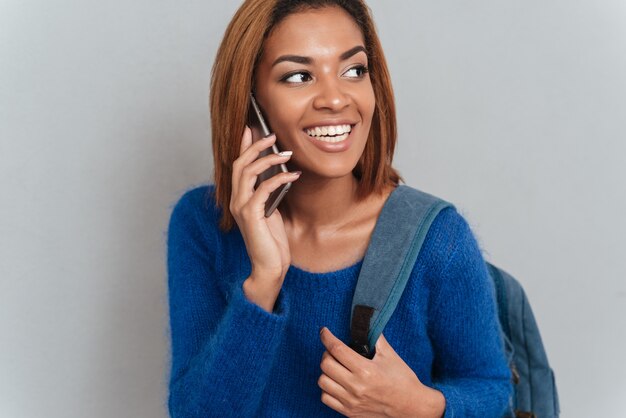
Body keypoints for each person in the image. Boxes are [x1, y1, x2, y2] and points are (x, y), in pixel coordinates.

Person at [166, 0, 513, 416]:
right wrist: (264, 282)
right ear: (251, 102)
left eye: (354, 71)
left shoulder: (439, 239)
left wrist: (420, 407)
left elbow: (493, 390)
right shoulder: (202, 225)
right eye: (298, 76)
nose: (335, 98)